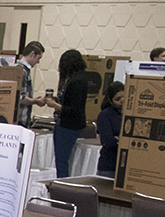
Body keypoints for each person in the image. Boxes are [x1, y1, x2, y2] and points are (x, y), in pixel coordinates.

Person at [40, 49, 90, 178]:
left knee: (61, 162)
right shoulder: (80, 78)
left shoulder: (76, 81)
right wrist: (57, 101)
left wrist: (55, 105)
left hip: (68, 125)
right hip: (71, 125)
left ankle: (61, 183)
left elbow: (73, 109)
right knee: (63, 161)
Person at [96, 80, 124, 177]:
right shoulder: (105, 115)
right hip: (109, 165)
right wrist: (121, 140)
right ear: (111, 101)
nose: (122, 100)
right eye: (118, 99)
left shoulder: (131, 115)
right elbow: (108, 141)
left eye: (124, 97)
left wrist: (119, 139)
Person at [15, 40, 45, 127]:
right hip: (20, 120)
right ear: (32, 54)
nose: (38, 62)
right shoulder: (21, 71)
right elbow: (19, 97)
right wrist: (35, 101)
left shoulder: (23, 70)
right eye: (38, 58)